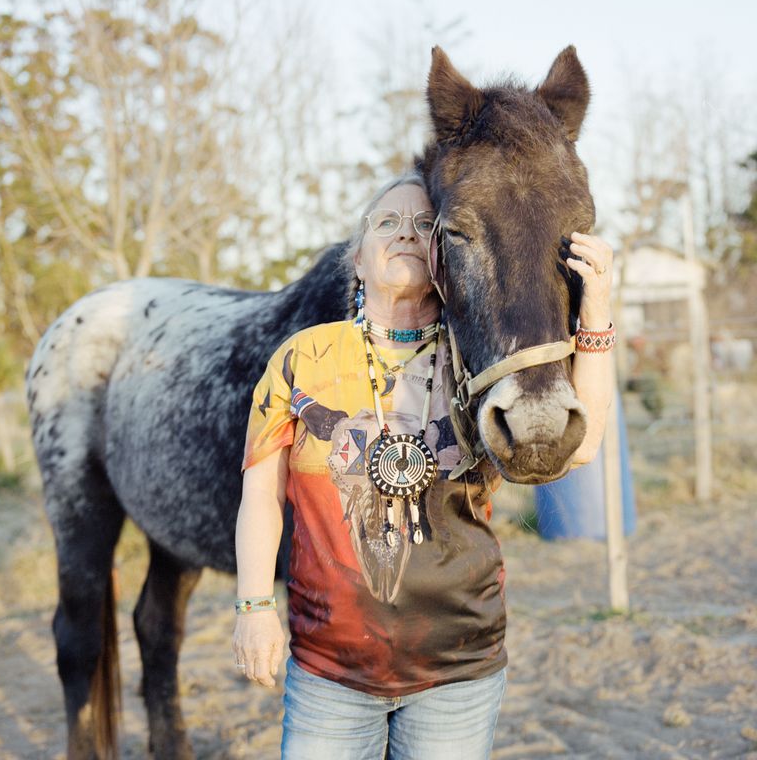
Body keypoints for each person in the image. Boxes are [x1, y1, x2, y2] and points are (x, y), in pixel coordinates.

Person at [232, 171, 615, 759]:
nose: (407, 233)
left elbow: (581, 447)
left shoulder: (479, 364)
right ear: (356, 259)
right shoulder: (302, 359)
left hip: (458, 670)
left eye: (425, 225)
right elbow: (260, 496)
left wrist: (597, 309)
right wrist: (255, 606)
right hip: (329, 670)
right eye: (387, 222)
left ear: (445, 260)